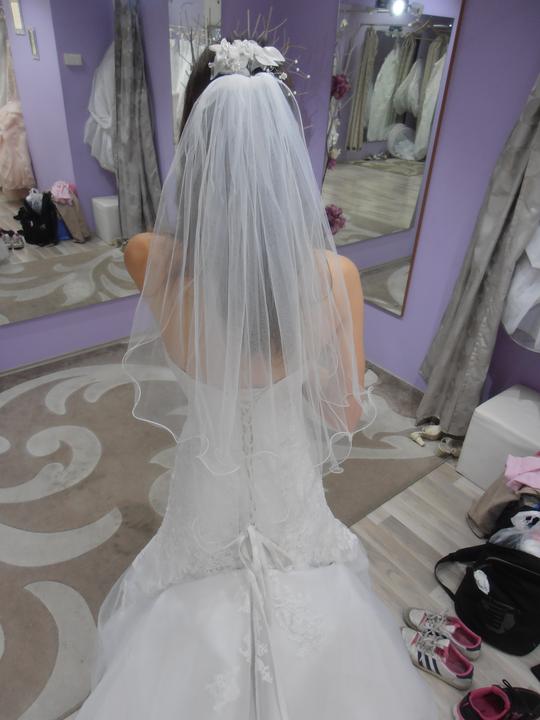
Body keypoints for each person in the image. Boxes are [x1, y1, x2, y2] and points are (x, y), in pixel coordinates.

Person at [75, 38, 436, 719]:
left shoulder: (148, 255)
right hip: (285, 487)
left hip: (205, 485)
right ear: (283, 150)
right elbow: (341, 416)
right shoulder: (335, 278)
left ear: (195, 143)